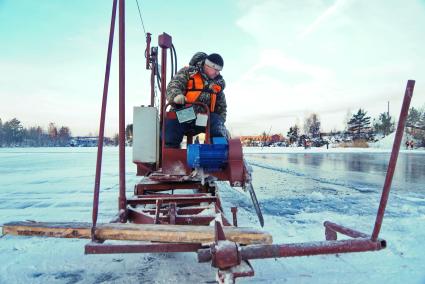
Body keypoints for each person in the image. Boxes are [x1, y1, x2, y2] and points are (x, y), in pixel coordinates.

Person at [164, 52, 228, 148]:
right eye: (215, 69)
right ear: (207, 65)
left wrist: (220, 121)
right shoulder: (188, 72)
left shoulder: (217, 84)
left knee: (217, 123)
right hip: (186, 114)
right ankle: (171, 155)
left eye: (219, 70)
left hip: (204, 118)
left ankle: (218, 153)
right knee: (172, 126)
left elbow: (222, 107)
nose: (217, 73)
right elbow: (174, 85)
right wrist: (176, 96)